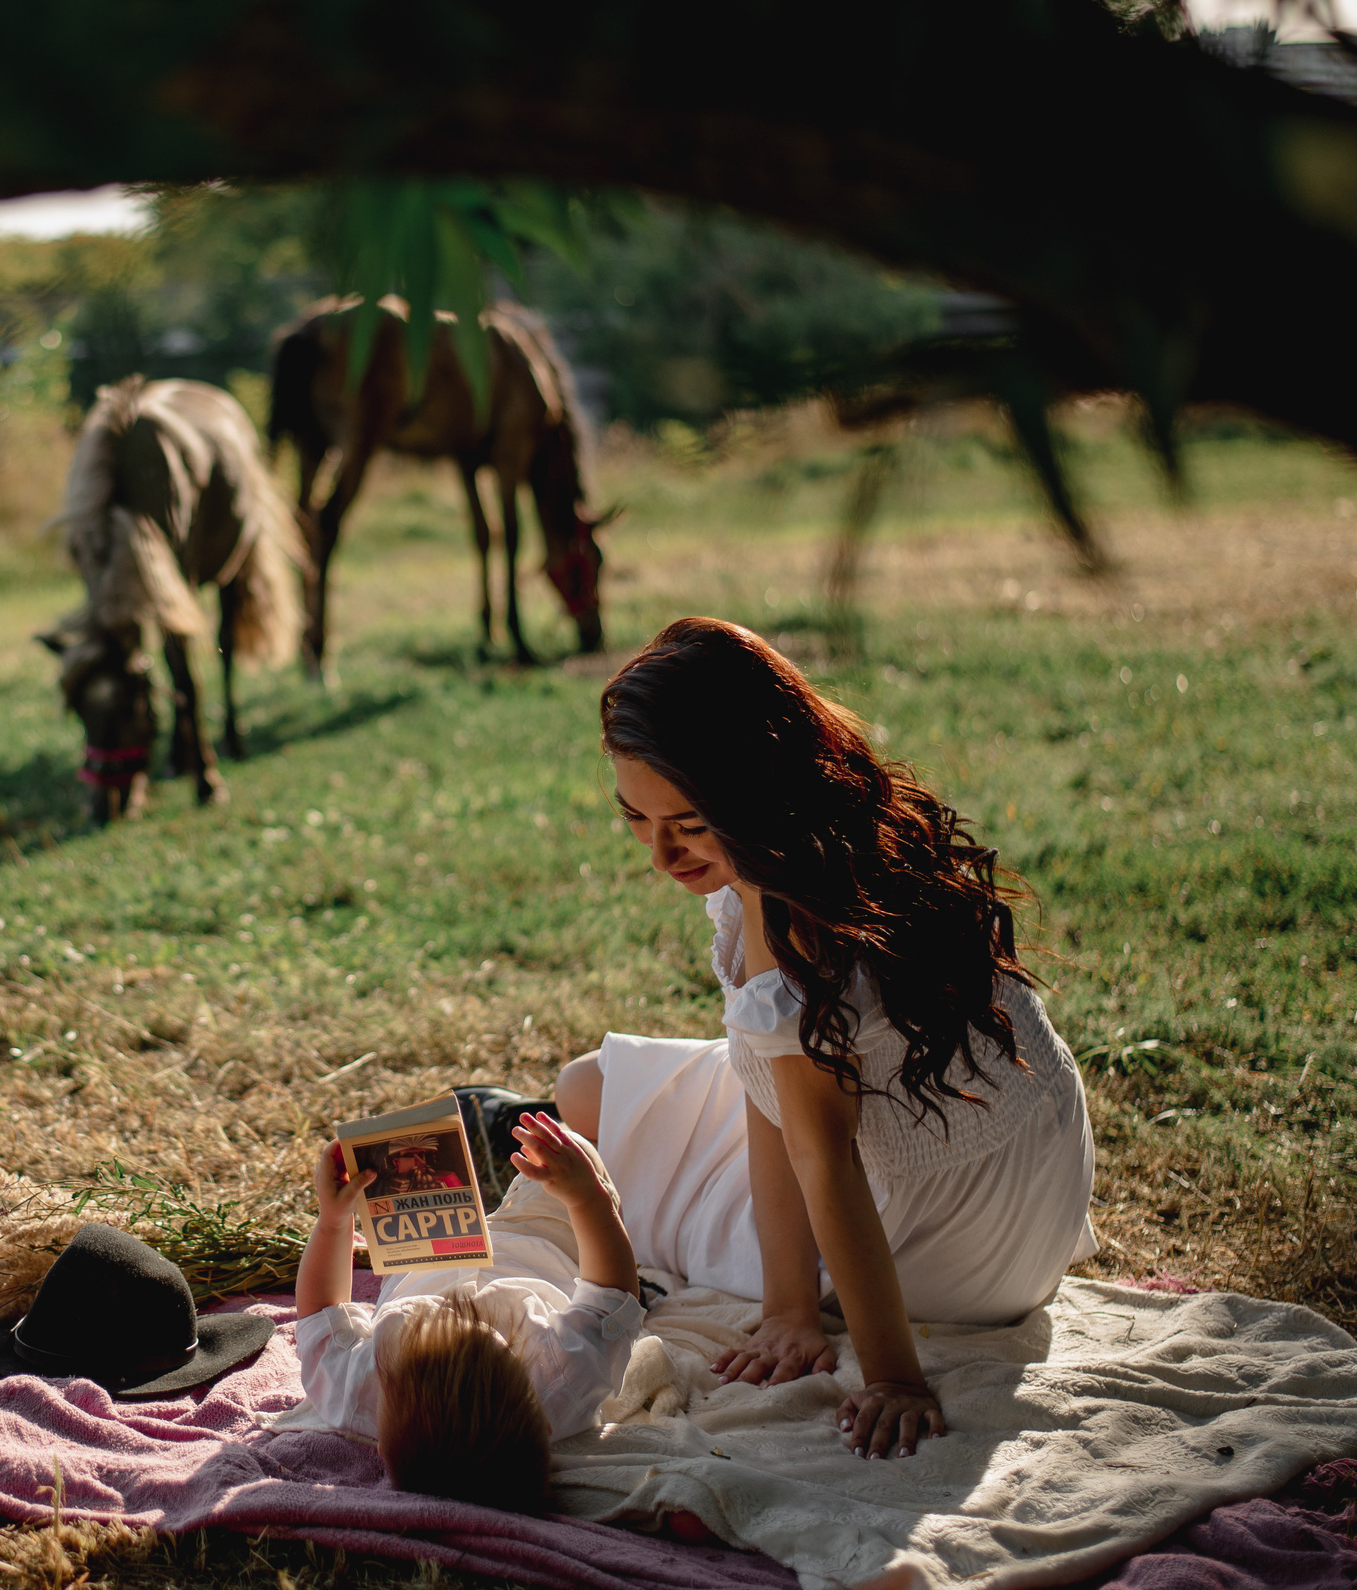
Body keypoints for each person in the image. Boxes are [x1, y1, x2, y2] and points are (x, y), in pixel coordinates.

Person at [554, 618, 1098, 1463]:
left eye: (688, 822)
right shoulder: (843, 818)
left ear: (745, 783)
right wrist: (791, 1309)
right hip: (1032, 1207)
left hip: (946, 1244)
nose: (660, 853)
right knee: (594, 1087)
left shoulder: (784, 905)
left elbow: (822, 1152)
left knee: (587, 1105)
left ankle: (487, 1136)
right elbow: (779, 1085)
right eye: (637, 817)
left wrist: (875, 1367)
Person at [292, 1111, 645, 1510]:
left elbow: (319, 1311)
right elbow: (613, 1294)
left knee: (403, 1157)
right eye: (493, 1338)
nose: (461, 1310)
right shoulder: (565, 1383)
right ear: (542, 1420)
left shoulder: (359, 1394)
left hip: (425, 1245)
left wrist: (333, 1221)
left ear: (379, 1440)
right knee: (568, 1146)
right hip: (541, 1241)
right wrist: (587, 1200)